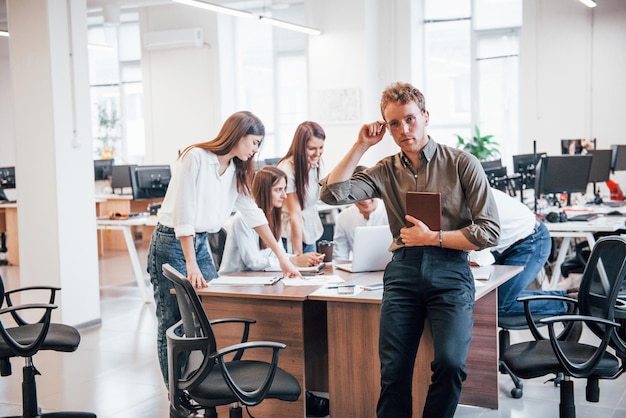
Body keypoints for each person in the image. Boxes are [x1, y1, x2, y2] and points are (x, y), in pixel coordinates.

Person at [320, 82, 500, 418]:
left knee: (450, 363)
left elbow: (489, 231)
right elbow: (332, 194)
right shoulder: (385, 170)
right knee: (393, 372)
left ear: (426, 116)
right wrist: (360, 146)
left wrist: (433, 238)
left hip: (451, 269)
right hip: (403, 270)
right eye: (394, 124)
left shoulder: (462, 163)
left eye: (410, 119)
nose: (404, 129)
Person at [146, 111, 300, 387]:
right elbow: (184, 213)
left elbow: (253, 214)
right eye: (254, 143)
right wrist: (190, 263)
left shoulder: (236, 170)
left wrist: (283, 257)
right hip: (172, 243)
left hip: (200, 242)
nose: (256, 150)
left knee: (210, 313)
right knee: (172, 320)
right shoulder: (195, 158)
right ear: (238, 135)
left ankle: (201, 385)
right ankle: (176, 398)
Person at [469, 187, 570, 316]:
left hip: (531, 241)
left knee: (498, 305)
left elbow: (478, 261)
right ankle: (565, 296)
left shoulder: (473, 206)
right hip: (505, 245)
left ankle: (567, 303)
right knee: (494, 299)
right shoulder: (462, 193)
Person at [218, 166, 324, 275]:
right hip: (236, 281)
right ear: (265, 191)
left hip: (260, 277)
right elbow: (253, 262)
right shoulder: (243, 219)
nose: (284, 196)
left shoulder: (272, 215)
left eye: (284, 189)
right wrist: (293, 261)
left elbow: (279, 254)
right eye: (278, 190)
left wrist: (300, 259)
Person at [277, 121, 326, 255]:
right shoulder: (286, 169)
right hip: (291, 235)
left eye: (321, 147)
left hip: (309, 231)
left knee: (313, 274)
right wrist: (298, 255)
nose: (317, 153)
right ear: (300, 147)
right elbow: (296, 214)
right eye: (312, 148)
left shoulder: (315, 163)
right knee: (299, 273)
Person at [332, 165, 389, 260]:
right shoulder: (344, 217)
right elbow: (339, 256)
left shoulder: (392, 212)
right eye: (358, 195)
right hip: (358, 272)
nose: (365, 200)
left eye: (368, 193)